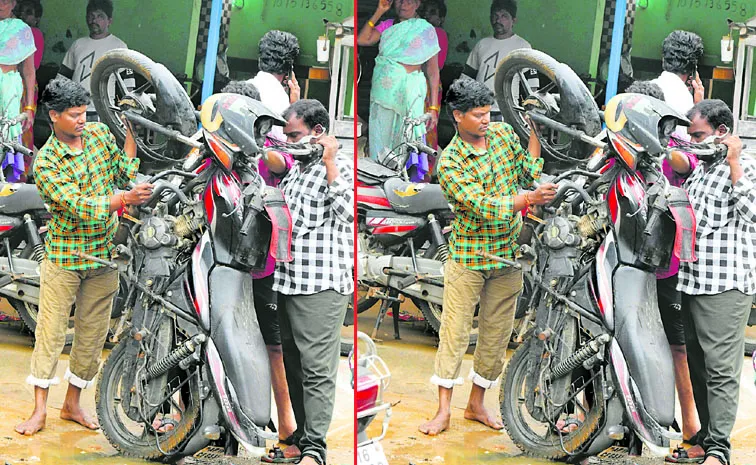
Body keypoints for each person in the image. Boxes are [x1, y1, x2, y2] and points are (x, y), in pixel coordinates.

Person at [14, 76, 153, 436]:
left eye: (84, 113)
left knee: (92, 336)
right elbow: (78, 205)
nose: (81, 120)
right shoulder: (46, 162)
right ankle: (39, 410)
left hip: (103, 257)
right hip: (64, 258)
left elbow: (124, 170)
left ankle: (73, 403)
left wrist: (131, 132)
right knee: (50, 332)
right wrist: (124, 199)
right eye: (73, 115)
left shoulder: (98, 136)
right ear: (53, 115)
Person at [418, 78, 557, 436]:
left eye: (488, 113)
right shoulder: (449, 162)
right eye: (478, 115)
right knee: (455, 332)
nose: (485, 120)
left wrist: (535, 131)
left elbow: (529, 169)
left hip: (508, 256)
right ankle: (443, 410)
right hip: (468, 257)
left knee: (497, 334)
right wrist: (529, 199)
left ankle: (477, 403)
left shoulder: (502, 135)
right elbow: (483, 206)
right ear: (457, 115)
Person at [262, 100, 353, 465]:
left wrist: (330, 161)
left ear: (318, 133)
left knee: (317, 370)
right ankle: (299, 438)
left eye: (295, 135)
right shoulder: (298, 168)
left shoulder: (338, 166)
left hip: (320, 286)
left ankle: (316, 448)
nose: (289, 141)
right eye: (287, 136)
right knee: (295, 366)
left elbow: (347, 213)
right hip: (287, 281)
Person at [669, 100, 756, 465]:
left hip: (725, 286)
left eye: (699, 135)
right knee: (700, 366)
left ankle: (719, 450)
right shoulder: (701, 169)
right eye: (691, 136)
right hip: (692, 281)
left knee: (721, 370)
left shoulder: (745, 166)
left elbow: (753, 212)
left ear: (723, 133)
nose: (694, 141)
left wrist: (734, 161)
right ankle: (704, 439)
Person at [626, 79, 702, 450]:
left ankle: (690, 426)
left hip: (665, 267)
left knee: (676, 347)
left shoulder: (671, 146)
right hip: (623, 261)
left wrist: (657, 149)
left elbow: (685, 161)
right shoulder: (620, 147)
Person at [358, 0, 441, 172]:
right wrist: (379, 11)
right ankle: (379, 177)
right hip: (383, 95)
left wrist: (433, 107)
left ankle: (403, 181)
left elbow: (433, 71)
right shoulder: (388, 25)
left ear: (418, 4)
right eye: (400, 0)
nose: (403, 5)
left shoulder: (425, 30)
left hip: (409, 94)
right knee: (381, 137)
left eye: (409, 1)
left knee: (407, 139)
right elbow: (362, 39)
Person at [58, 0, 129, 121]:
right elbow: (62, 79)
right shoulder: (77, 45)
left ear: (109, 21)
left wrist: (126, 113)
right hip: (75, 110)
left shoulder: (119, 47)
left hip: (104, 112)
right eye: (91, 16)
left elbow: (128, 86)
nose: (94, 20)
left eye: (100, 16)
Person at [462, 0, 532, 121]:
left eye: (504, 16)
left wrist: (530, 112)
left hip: (508, 112)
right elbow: (466, 79)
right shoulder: (481, 45)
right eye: (495, 16)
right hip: (479, 110)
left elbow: (532, 86)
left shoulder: (523, 47)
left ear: (513, 20)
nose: (498, 20)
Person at [0, 0, 36, 182]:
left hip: (9, 91)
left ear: (14, 4)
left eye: (5, 1)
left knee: (7, 136)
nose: (0, 4)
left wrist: (29, 107)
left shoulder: (22, 30)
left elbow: (29, 72)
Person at [247, 30, 301, 143]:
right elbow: (285, 143)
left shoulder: (245, 86)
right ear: (289, 68)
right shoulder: (281, 100)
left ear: (260, 60)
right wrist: (296, 106)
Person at [651, 30, 704, 133]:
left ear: (663, 59)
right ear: (694, 68)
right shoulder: (686, 101)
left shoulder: (648, 87)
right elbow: (688, 141)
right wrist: (700, 106)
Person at [15, 0, 43, 158]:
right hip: (14, 85)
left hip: (26, 86)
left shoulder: (34, 33)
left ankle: (22, 168)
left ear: (37, 19)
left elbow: (34, 65)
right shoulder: (13, 31)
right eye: (21, 11)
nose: (23, 15)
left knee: (22, 127)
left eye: (28, 12)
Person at [419, 0, 447, 155]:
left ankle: (425, 167)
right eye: (425, 12)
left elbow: (438, 65)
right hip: (421, 83)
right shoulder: (421, 31)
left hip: (430, 85)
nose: (427, 16)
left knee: (426, 126)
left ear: (441, 19)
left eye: (432, 13)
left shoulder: (438, 33)